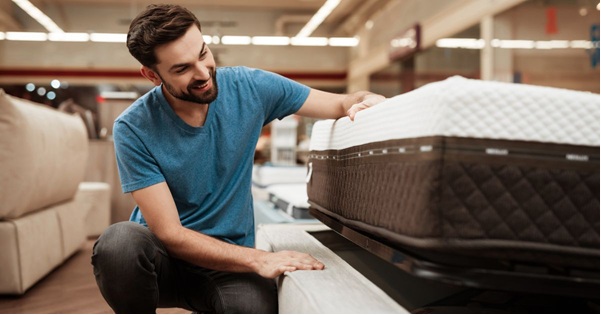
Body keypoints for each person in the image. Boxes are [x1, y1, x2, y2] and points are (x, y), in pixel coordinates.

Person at [91, 3, 385, 314]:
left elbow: (340, 103)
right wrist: (261, 259)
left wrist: (365, 101)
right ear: (152, 75)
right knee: (119, 244)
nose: (203, 73)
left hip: (228, 265)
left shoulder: (250, 87)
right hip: (164, 263)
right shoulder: (133, 127)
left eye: (203, 54)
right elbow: (170, 234)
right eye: (182, 68)